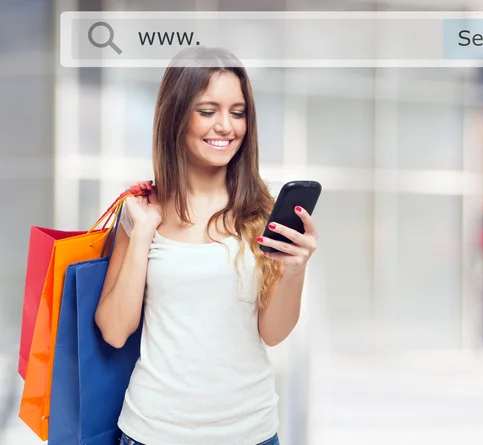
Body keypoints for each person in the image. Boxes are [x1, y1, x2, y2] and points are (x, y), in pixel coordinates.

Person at [94, 46, 319, 445]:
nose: (226, 127)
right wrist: (144, 231)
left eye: (237, 112)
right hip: (153, 432)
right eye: (207, 110)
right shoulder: (142, 210)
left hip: (251, 432)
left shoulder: (260, 212)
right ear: (177, 116)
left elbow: (273, 333)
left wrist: (294, 270)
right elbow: (113, 330)